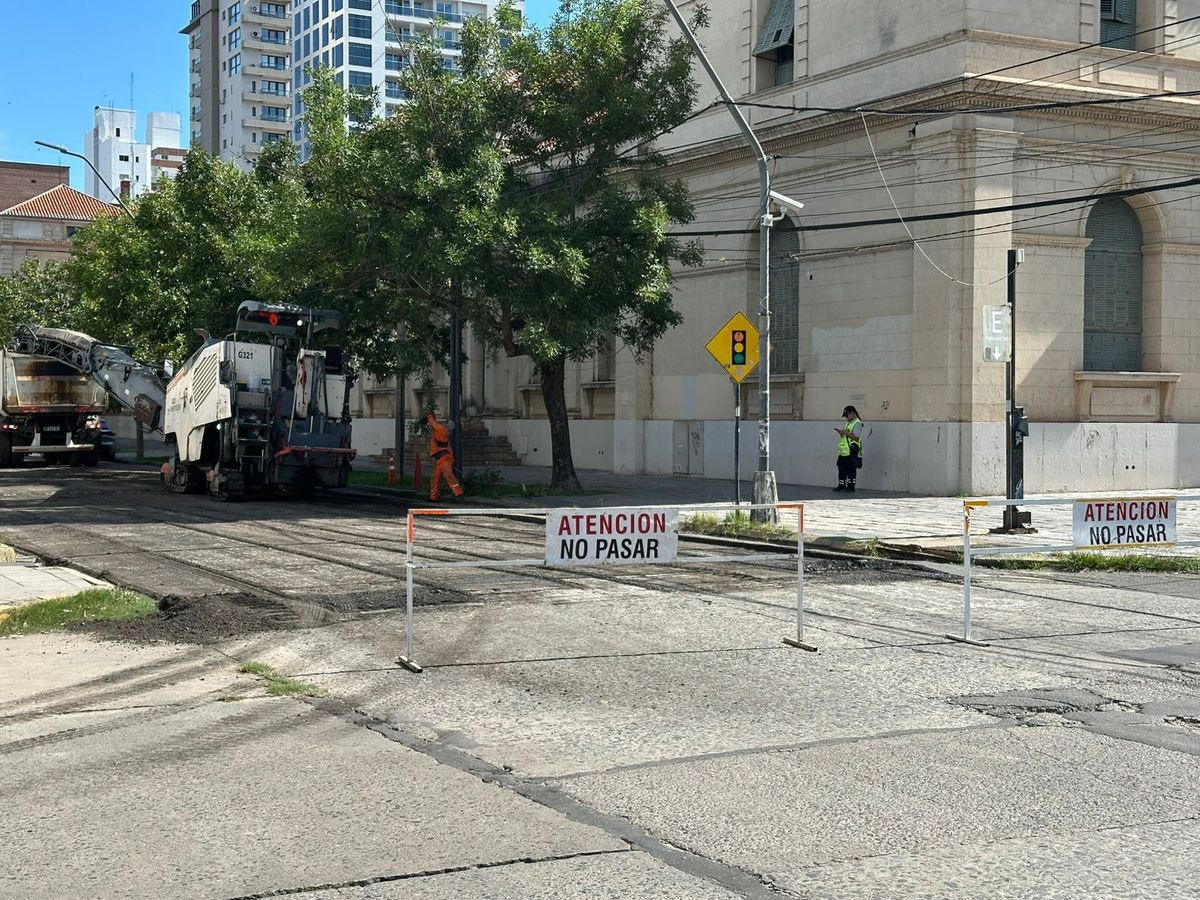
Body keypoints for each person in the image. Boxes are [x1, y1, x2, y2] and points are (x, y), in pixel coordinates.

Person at [427, 409, 464, 502]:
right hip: (442, 458)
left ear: (447, 426)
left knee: (449, 476)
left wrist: (429, 415)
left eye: (445, 422)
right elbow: (433, 425)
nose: (443, 423)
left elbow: (433, 423)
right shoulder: (443, 431)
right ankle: (434, 497)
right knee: (436, 478)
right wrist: (432, 415)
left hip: (444, 458)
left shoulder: (442, 430)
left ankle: (458, 493)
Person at [834, 405, 864, 492]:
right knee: (841, 467)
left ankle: (850, 486)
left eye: (847, 415)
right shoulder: (848, 423)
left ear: (852, 413)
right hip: (844, 451)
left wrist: (846, 433)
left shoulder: (857, 423)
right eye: (845, 416)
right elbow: (846, 436)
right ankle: (841, 484)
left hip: (852, 449)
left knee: (851, 469)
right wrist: (841, 433)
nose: (846, 418)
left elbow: (856, 438)